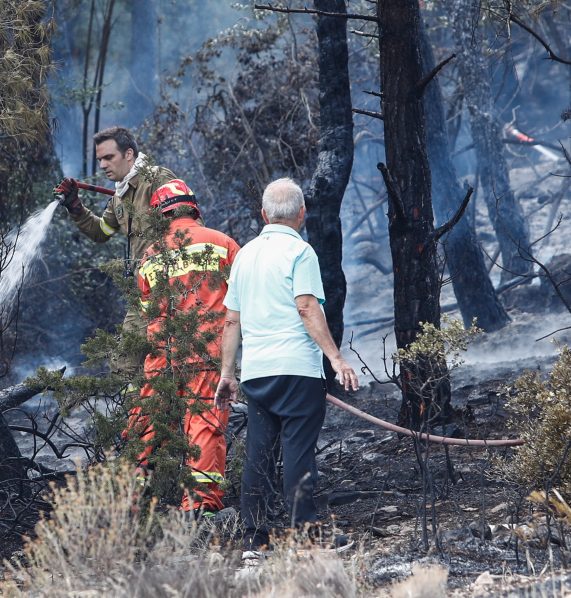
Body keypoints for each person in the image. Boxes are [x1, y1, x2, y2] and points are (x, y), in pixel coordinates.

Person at [213, 178, 359, 554]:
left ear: (264, 214)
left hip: (257, 373)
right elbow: (306, 307)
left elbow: (231, 321)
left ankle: (254, 540)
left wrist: (227, 375)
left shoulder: (245, 255)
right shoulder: (301, 252)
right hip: (296, 371)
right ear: (302, 214)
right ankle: (307, 537)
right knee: (297, 453)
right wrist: (336, 358)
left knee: (258, 455)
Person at [127, 179, 240, 517]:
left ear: (161, 215)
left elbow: (148, 312)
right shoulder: (223, 244)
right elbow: (242, 303)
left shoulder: (150, 256)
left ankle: (132, 507)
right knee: (204, 427)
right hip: (207, 355)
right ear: (193, 208)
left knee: (148, 427)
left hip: (162, 356)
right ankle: (199, 508)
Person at [53, 127, 200, 374]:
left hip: (173, 287)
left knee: (172, 360)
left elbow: (189, 227)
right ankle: (138, 399)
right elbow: (101, 231)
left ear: (129, 154)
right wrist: (75, 207)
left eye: (108, 157)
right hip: (143, 292)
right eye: (100, 159)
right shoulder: (119, 197)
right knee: (124, 365)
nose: (102, 165)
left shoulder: (157, 178)